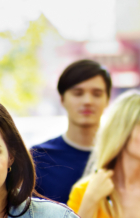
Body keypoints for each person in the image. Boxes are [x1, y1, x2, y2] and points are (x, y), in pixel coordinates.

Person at [31, 59, 112, 203]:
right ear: (62, 99)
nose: (87, 101)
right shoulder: (38, 158)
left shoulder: (120, 155)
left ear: (107, 100)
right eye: (78, 93)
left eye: (97, 94)